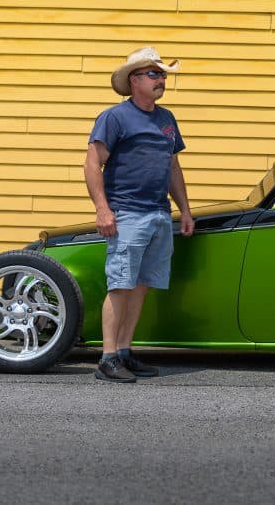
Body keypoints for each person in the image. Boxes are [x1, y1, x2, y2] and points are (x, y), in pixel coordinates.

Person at [83, 46, 195, 383]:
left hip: (159, 215)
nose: (161, 80)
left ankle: (125, 351)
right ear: (134, 80)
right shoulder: (114, 117)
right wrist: (103, 209)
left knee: (141, 285)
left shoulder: (166, 119)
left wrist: (184, 210)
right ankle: (107, 358)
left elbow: (173, 166)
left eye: (162, 74)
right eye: (154, 74)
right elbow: (92, 163)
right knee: (120, 285)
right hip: (127, 213)